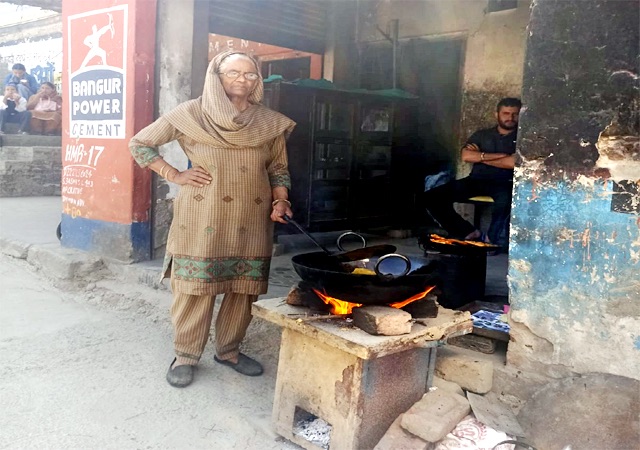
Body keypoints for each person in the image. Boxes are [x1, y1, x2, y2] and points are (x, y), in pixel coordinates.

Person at [129, 50, 295, 388]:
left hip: (252, 215)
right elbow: (141, 143)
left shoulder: (269, 122)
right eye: (234, 73)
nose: (243, 80)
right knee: (195, 287)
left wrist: (281, 199)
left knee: (244, 287)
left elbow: (278, 167)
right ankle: (185, 355)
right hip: (202, 212)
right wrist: (174, 174)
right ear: (216, 76)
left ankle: (229, 351)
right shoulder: (190, 113)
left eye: (250, 74)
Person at [423, 97, 521, 248]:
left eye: (515, 114)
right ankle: (467, 232)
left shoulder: (522, 137)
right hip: (476, 180)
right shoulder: (482, 135)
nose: (510, 118)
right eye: (506, 113)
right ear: (497, 114)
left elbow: (512, 163)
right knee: (431, 197)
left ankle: (490, 241)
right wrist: (503, 156)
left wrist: (480, 157)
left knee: (506, 201)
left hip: (505, 182)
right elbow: (466, 156)